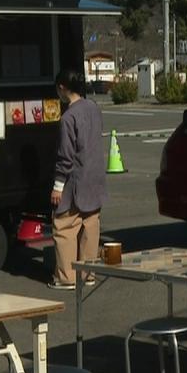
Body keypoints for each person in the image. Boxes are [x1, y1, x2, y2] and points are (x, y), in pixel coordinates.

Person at [50, 68, 106, 289]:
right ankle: (88, 274)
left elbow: (65, 156)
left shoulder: (68, 117)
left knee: (64, 226)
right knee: (90, 226)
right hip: (95, 177)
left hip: (76, 180)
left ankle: (66, 278)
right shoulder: (93, 108)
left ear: (62, 88)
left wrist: (57, 186)